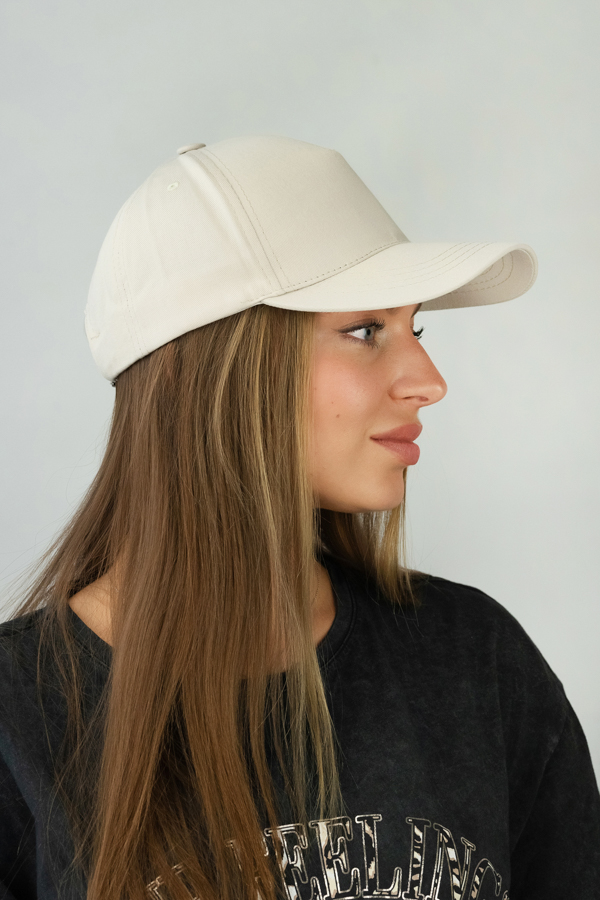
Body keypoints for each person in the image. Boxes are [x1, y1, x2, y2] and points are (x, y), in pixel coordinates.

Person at [0, 135, 598, 900]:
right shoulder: (19, 720)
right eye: (366, 330)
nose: (428, 380)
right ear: (203, 369)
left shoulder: (477, 663)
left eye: (416, 327)